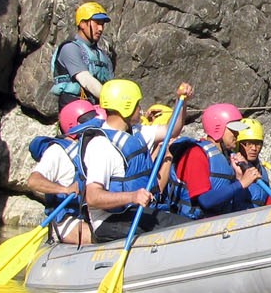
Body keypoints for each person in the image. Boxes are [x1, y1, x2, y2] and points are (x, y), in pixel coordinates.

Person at [77, 78, 190, 243]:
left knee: (184, 225)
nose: (140, 110)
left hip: (135, 213)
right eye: (137, 105)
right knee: (176, 230)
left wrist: (182, 101)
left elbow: (171, 130)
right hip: (109, 221)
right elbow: (93, 197)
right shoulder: (101, 146)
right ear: (126, 107)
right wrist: (132, 196)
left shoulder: (139, 133)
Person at [25, 99, 102, 245]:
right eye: (90, 119)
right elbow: (33, 181)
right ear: (74, 125)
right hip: (68, 219)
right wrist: (65, 189)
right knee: (101, 237)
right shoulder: (57, 152)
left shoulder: (94, 146)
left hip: (92, 214)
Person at [170, 103, 259, 218]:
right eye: (233, 130)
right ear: (218, 128)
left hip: (219, 222)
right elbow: (205, 200)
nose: (237, 135)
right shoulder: (196, 154)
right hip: (193, 226)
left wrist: (239, 177)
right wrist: (241, 183)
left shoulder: (226, 157)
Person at [49, 2, 116, 110]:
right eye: (97, 23)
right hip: (76, 110)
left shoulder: (103, 56)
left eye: (102, 24)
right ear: (82, 24)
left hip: (99, 108)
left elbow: (112, 85)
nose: (100, 29)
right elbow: (86, 80)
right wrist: (115, 103)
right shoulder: (70, 48)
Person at [235, 118, 271, 207]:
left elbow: (269, 205)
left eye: (258, 143)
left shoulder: (262, 170)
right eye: (248, 143)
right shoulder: (231, 168)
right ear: (238, 144)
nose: (254, 148)